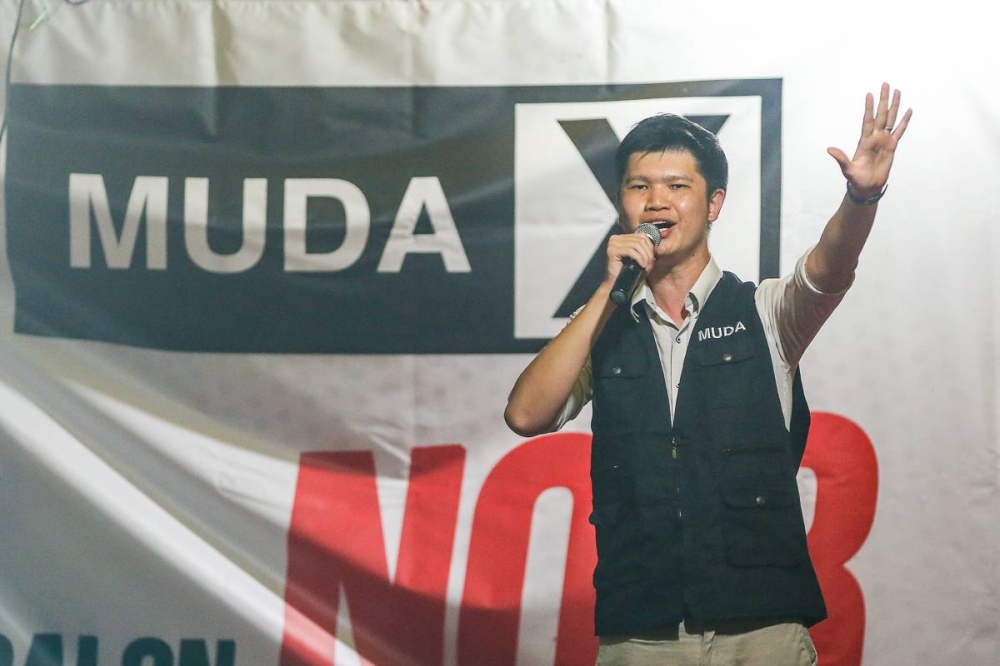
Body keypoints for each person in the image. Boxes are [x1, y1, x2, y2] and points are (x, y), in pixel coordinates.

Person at [504, 83, 911, 666]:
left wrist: (861, 199)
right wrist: (604, 293)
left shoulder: (765, 311)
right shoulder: (601, 323)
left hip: (762, 624)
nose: (657, 202)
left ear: (714, 203)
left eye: (678, 187)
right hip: (640, 627)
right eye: (639, 187)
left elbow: (829, 269)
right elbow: (525, 415)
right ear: (621, 203)